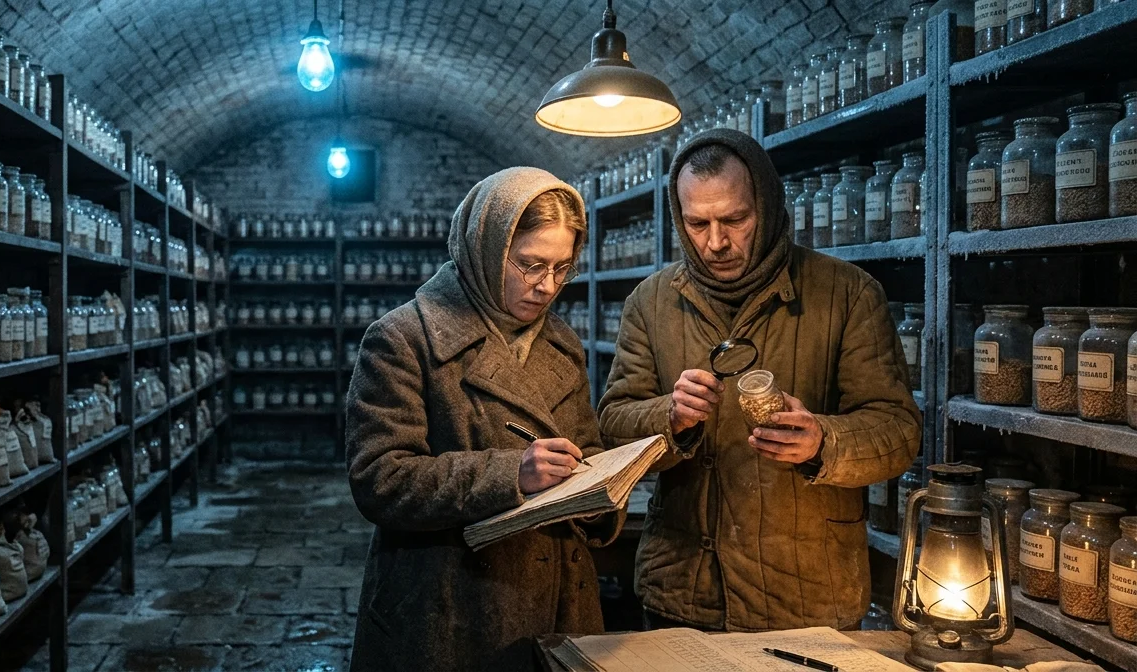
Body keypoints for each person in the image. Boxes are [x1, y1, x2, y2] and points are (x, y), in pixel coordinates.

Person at [597, 129, 920, 632]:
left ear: (765, 205)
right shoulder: (650, 302)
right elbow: (613, 425)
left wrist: (823, 441)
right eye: (697, 223)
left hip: (806, 597)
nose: (716, 242)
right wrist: (669, 417)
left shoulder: (848, 293)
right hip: (682, 590)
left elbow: (898, 430)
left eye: (735, 219)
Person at [345, 167, 624, 672]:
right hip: (448, 608)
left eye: (562, 268)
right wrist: (511, 474)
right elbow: (380, 478)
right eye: (531, 265)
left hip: (558, 597)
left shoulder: (562, 343)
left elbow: (587, 449)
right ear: (486, 249)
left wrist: (598, 496)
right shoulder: (404, 339)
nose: (546, 286)